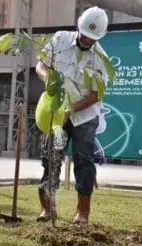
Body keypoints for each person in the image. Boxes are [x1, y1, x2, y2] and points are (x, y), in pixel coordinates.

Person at [35, 6, 108, 225]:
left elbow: (96, 95)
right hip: (57, 110)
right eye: (85, 36)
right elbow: (40, 65)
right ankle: (47, 208)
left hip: (84, 115)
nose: (88, 41)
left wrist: (71, 111)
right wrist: (46, 77)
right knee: (50, 157)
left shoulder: (101, 59)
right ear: (79, 28)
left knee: (83, 161)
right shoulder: (59, 40)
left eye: (93, 39)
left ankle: (82, 212)